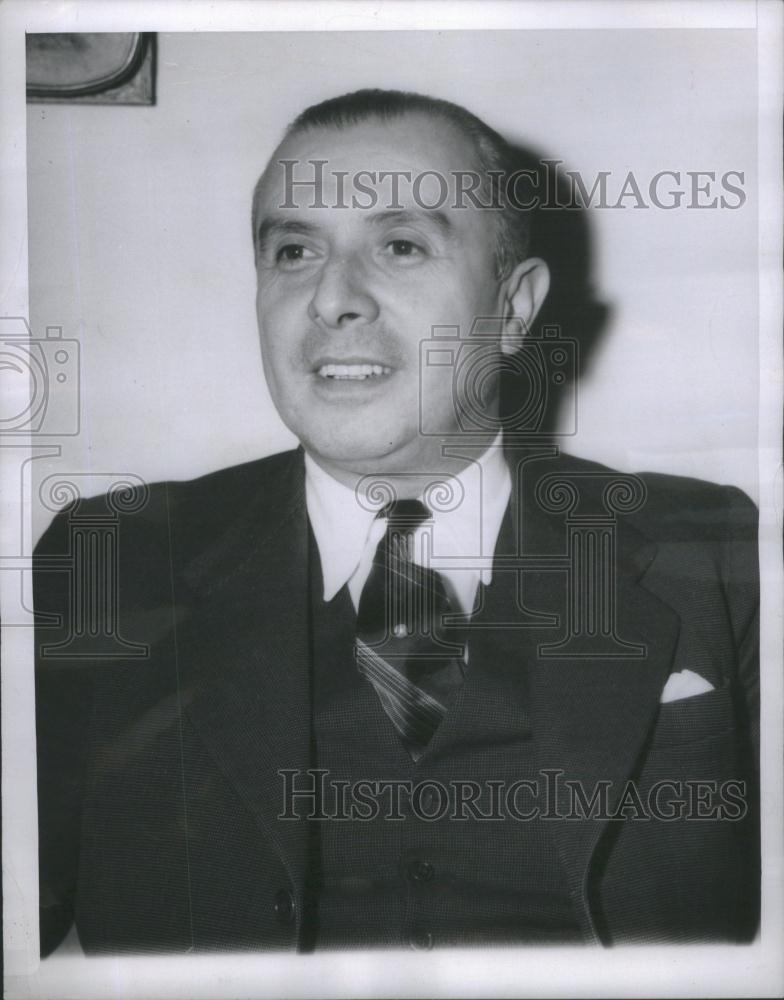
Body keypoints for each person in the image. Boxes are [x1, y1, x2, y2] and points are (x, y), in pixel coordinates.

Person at [35, 89, 759, 955]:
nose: (332, 299)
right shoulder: (106, 564)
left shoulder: (711, 554)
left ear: (515, 310)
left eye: (402, 245)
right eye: (294, 250)